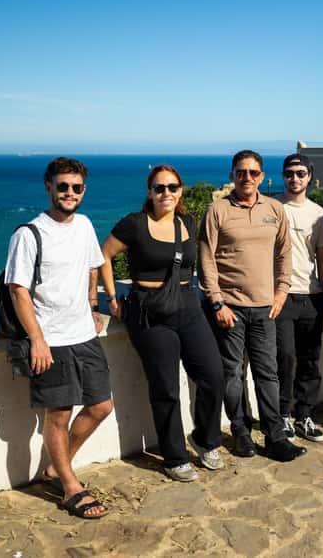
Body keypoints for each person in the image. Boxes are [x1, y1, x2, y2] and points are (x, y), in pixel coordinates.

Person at [101, 165, 225, 482]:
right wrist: (112, 299)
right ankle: (174, 456)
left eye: (172, 187)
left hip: (187, 304)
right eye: (159, 188)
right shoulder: (135, 223)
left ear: (180, 191)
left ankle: (205, 439)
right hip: (150, 310)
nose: (166, 193)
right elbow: (103, 255)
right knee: (165, 387)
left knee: (213, 375)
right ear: (150, 192)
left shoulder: (187, 222)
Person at [4, 157, 111, 520]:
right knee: (59, 415)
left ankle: (55, 466)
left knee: (101, 406)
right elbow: (18, 290)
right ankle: (69, 487)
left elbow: (93, 266)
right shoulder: (29, 234)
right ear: (48, 186)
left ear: (84, 190)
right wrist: (37, 339)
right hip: (51, 338)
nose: (69, 193)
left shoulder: (84, 225)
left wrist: (93, 305)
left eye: (76, 187)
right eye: (62, 186)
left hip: (84, 334)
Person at [199, 150, 307, 462]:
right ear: (232, 175)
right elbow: (206, 258)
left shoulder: (274, 209)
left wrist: (281, 292)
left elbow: (284, 253)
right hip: (229, 308)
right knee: (233, 373)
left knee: (268, 373)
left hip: (265, 308)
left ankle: (275, 436)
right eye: (241, 172)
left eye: (253, 172)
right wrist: (217, 302)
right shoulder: (217, 210)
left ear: (261, 176)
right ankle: (241, 432)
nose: (247, 177)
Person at [275, 153, 323, 443]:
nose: (294, 178)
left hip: (311, 297)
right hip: (280, 296)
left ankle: (304, 415)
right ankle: (283, 414)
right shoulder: (272, 207)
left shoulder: (320, 216)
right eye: (289, 173)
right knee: (284, 357)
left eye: (300, 173)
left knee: (309, 359)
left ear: (309, 176)